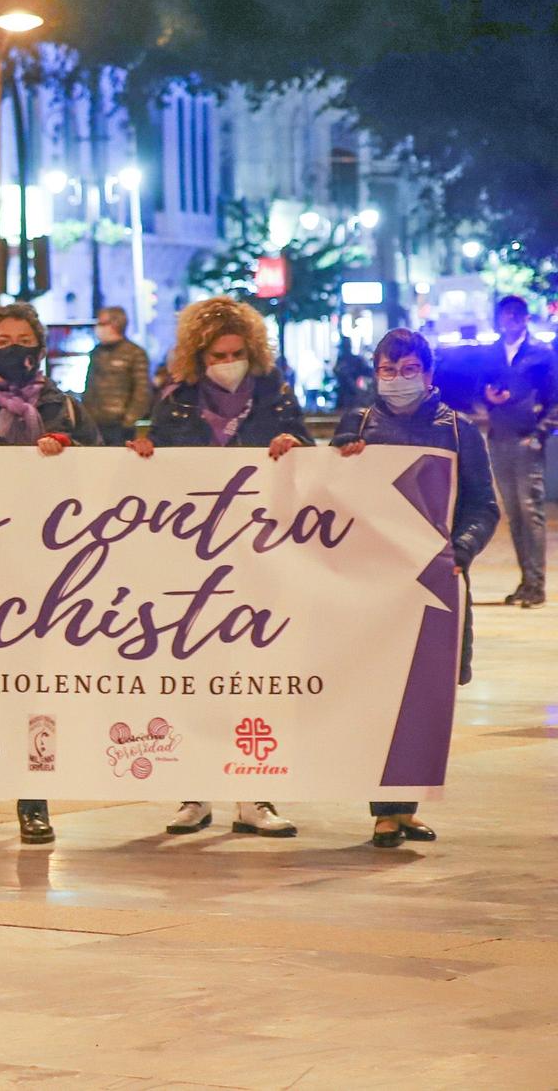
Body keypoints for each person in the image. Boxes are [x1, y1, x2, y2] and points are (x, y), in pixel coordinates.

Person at [129, 295, 310, 838]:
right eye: (216, 354)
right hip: (193, 566)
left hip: (259, 558)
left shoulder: (276, 398)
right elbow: (153, 461)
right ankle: (194, 794)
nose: (226, 362)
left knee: (256, 677)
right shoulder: (177, 402)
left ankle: (256, 795)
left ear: (251, 352)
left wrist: (293, 444)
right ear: (198, 356)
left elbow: (310, 454)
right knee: (192, 679)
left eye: (236, 352)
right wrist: (142, 453)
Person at [0, 303, 102, 846]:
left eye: (22, 339)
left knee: (34, 689)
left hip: (44, 570)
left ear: (40, 346)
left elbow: (103, 472)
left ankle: (34, 797)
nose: (12, 348)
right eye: (1, 339)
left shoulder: (65, 409)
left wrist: (70, 455)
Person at [333, 328, 499, 848]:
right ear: (375, 372)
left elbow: (482, 506)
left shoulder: (458, 430)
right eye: (388, 369)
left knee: (425, 695)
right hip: (373, 584)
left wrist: (460, 552)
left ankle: (403, 807)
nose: (397, 380)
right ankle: (385, 810)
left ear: (427, 375)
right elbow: (328, 498)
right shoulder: (358, 424)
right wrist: (342, 462)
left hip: (435, 583)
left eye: (408, 370)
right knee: (379, 692)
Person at [483, 295, 555, 607]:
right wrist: (487, 398)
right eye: (504, 315)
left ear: (525, 318)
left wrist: (540, 432)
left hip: (527, 438)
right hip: (499, 437)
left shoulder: (541, 352)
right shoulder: (492, 352)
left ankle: (537, 584)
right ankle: (525, 581)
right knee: (513, 514)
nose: (509, 320)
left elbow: (554, 397)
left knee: (530, 511)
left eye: (515, 315)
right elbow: (478, 387)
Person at [82, 306, 153, 441]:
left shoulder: (135, 353)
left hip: (120, 427)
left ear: (116, 324)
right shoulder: (96, 352)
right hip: (94, 424)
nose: (98, 328)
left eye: (102, 323)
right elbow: (89, 386)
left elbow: (142, 391)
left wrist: (129, 421)